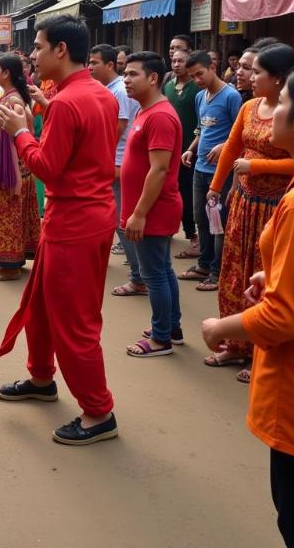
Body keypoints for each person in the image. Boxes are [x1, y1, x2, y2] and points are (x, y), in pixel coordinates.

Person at [201, 59, 294, 548]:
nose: (268, 109)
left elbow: (282, 317)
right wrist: (274, 274)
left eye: (280, 102)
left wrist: (221, 327)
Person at [0, 14, 118, 446]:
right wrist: (43, 113)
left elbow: (47, 167)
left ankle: (98, 411)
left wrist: (21, 132)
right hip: (86, 216)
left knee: (75, 322)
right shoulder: (96, 94)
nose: (33, 54)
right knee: (43, 306)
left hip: (74, 222)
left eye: (39, 46)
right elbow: (82, 146)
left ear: (60, 50)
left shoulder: (67, 103)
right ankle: (42, 378)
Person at [204, 44, 294, 382]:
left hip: (276, 207)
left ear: (280, 78)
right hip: (243, 202)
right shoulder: (249, 107)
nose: (247, 75)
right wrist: (217, 187)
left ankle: (261, 350)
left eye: (257, 71)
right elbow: (231, 148)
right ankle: (233, 343)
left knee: (264, 277)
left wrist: (255, 166)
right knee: (234, 271)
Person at [120, 52, 184, 356]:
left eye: (133, 74)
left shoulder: (159, 115)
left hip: (154, 209)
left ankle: (161, 339)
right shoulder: (146, 111)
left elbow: (159, 169)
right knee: (162, 269)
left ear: (153, 78)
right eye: (126, 74)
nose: (126, 80)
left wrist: (139, 213)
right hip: (149, 207)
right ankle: (171, 325)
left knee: (154, 273)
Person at [180, 51, 242, 291]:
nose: (197, 80)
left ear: (213, 67)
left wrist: (224, 145)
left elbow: (241, 135)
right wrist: (190, 149)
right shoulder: (200, 97)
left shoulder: (231, 96)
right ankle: (203, 264)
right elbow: (200, 128)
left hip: (222, 171)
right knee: (201, 219)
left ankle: (217, 272)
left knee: (220, 223)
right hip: (200, 167)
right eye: (193, 76)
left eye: (200, 74)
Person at [0, 54, 41, 281]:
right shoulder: (9, 97)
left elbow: (18, 139)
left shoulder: (12, 101)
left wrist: (14, 176)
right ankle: (5, 261)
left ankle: (10, 266)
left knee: (9, 214)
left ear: (6, 73)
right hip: (6, 163)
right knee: (5, 212)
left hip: (12, 166)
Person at [88, 44, 142, 296]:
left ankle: (138, 277)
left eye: (94, 62)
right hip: (115, 162)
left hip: (118, 163)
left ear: (110, 65)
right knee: (112, 218)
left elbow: (118, 128)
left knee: (121, 221)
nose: (90, 67)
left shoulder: (118, 91)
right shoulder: (110, 89)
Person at [164, 47, 201, 260]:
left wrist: (191, 147)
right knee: (170, 191)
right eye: (174, 61)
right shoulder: (168, 86)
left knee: (187, 194)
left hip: (190, 150)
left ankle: (192, 234)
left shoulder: (196, 88)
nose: (177, 64)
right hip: (169, 150)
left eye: (181, 61)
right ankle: (169, 229)